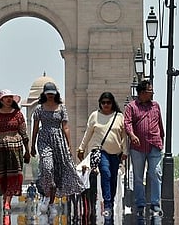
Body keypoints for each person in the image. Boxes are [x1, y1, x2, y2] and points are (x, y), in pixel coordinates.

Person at [30, 82, 84, 217]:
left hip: (59, 141)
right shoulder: (39, 109)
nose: (50, 96)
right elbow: (35, 127)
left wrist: (69, 146)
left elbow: (65, 127)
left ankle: (52, 201)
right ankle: (47, 195)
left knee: (58, 171)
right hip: (44, 139)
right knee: (47, 168)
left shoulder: (62, 108)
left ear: (56, 94)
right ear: (44, 94)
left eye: (52, 94)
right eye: (47, 94)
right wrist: (32, 146)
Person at [77, 92, 128, 223]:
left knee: (113, 179)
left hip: (116, 153)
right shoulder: (94, 116)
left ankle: (109, 199)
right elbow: (88, 133)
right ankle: (107, 203)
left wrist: (125, 151)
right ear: (100, 103)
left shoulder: (119, 117)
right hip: (100, 151)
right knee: (105, 173)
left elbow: (124, 136)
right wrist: (81, 148)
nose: (106, 105)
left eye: (108, 102)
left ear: (112, 103)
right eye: (103, 102)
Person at [124, 80, 164, 220]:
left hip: (154, 145)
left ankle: (155, 204)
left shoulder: (156, 106)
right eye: (150, 91)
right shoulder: (131, 107)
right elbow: (127, 123)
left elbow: (160, 124)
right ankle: (140, 204)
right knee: (138, 177)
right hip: (138, 147)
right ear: (142, 93)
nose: (152, 93)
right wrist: (132, 135)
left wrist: (161, 140)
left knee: (155, 173)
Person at [0, 89, 30, 212]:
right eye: (6, 97)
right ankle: (6, 197)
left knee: (14, 175)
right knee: (2, 175)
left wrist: (27, 151)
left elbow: (24, 133)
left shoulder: (18, 114)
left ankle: (7, 202)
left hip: (15, 148)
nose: (9, 99)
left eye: (10, 97)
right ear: (1, 100)